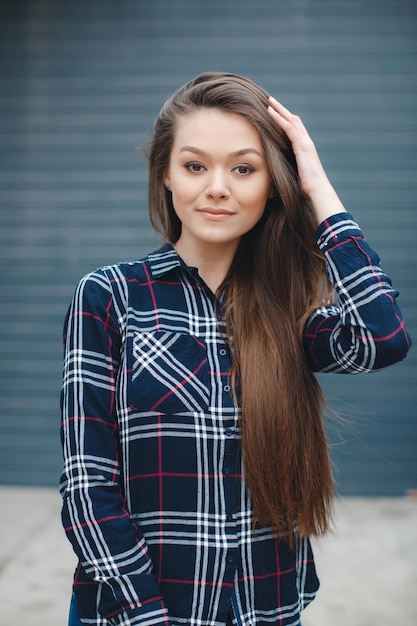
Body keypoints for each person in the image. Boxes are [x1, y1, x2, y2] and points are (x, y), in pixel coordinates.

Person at [60, 72, 411, 626]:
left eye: (244, 168)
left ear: (273, 184)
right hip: (142, 613)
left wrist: (319, 189)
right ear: (167, 177)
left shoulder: (290, 313)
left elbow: (383, 338)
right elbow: (88, 483)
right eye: (195, 165)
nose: (217, 187)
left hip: (265, 608)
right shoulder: (111, 297)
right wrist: (145, 614)